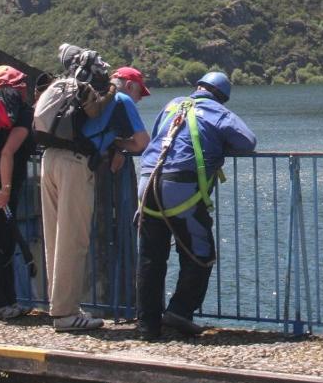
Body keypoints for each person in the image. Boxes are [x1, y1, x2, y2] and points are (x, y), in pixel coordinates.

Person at [135, 71, 256, 339]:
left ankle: (147, 327)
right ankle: (179, 312)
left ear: (197, 87)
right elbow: (247, 142)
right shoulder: (218, 113)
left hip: (147, 183)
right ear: (222, 98)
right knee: (201, 254)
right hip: (180, 188)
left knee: (151, 258)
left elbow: (157, 137)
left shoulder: (172, 104)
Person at [40, 61, 149, 331]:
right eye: (140, 93)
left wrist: (110, 144)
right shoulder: (122, 99)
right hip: (75, 165)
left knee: (54, 238)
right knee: (73, 240)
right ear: (131, 85)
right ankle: (65, 315)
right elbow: (142, 142)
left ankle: (60, 307)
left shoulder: (80, 92)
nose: (139, 98)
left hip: (49, 158)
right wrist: (119, 145)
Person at [0, 79, 32, 320]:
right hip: (1, 184)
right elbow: (7, 152)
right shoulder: (21, 113)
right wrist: (6, 189)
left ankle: (7, 301)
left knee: (1, 240)